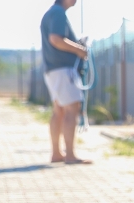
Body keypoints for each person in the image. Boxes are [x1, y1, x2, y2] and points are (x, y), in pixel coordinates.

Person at [40, 0, 91, 164]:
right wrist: (79, 50)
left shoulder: (51, 13)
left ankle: (57, 153)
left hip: (53, 70)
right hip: (63, 70)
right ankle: (70, 155)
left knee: (59, 111)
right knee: (71, 110)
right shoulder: (58, 13)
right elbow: (56, 39)